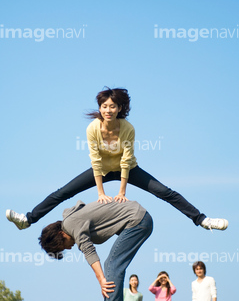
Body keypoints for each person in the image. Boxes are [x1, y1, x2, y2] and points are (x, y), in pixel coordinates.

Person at [6, 87, 228, 232]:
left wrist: (122, 192)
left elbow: (125, 160)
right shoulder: (92, 128)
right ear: (100, 108)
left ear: (120, 108)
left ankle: (202, 220)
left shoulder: (127, 128)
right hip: (101, 170)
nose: (108, 110)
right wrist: (101, 194)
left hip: (127, 169)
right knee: (62, 192)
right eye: (104, 106)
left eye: (112, 106)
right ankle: (27, 220)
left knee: (164, 192)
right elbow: (95, 160)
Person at [38, 198, 153, 301]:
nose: (68, 248)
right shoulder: (71, 220)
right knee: (112, 263)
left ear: (60, 234)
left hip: (137, 220)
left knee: (113, 264)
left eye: (62, 246)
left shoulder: (70, 224)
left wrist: (102, 280)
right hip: (139, 218)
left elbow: (89, 251)